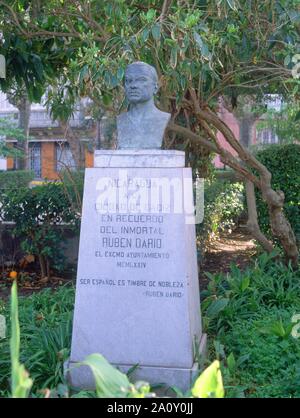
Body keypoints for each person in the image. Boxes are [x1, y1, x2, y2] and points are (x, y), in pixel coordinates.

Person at [117, 61, 171, 149]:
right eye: (128, 81)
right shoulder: (120, 121)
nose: (133, 85)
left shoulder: (162, 119)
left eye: (141, 80)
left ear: (156, 87)